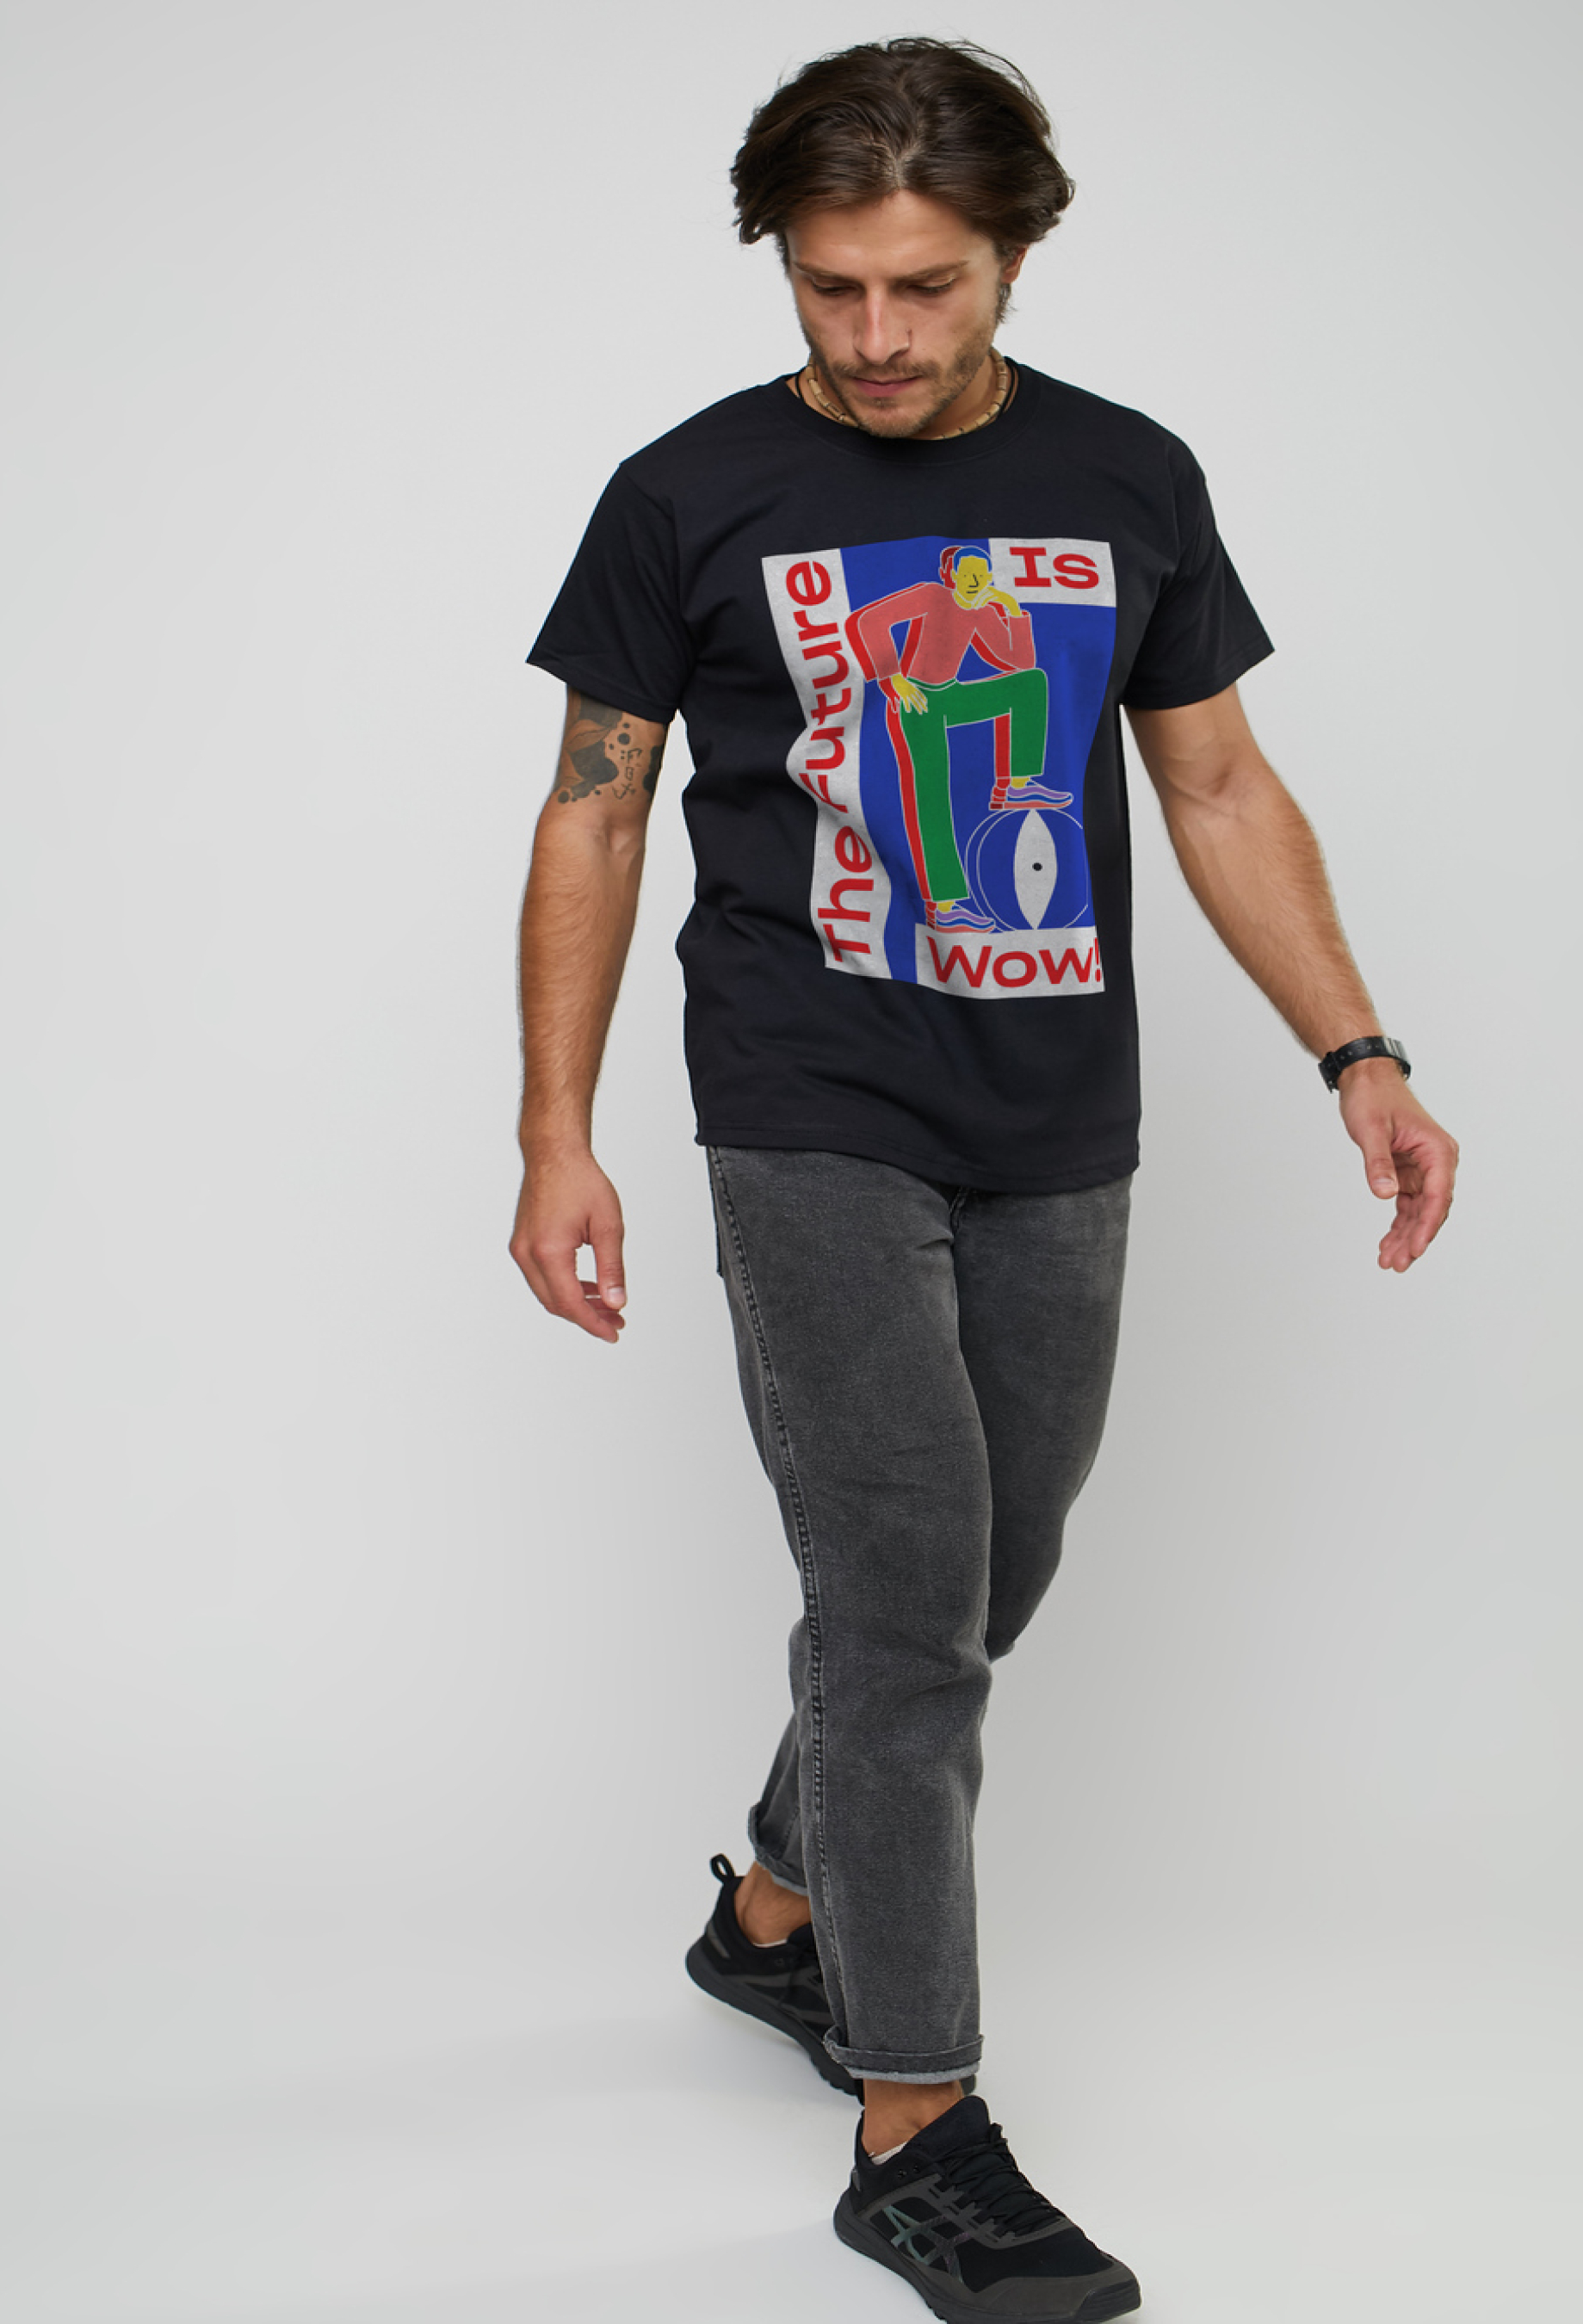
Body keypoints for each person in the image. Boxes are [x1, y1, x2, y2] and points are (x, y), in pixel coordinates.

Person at [509, 39, 1456, 2323]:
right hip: (803, 1095)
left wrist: (1357, 1047)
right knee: (907, 1603)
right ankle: (917, 2125)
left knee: (986, 1566)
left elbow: (1216, 784)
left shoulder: (1124, 475)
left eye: (921, 286)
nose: (873, 337)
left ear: (1014, 252)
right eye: (828, 287)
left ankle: (776, 1910)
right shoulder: (688, 493)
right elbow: (594, 813)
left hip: (1054, 1114)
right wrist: (556, 1128)